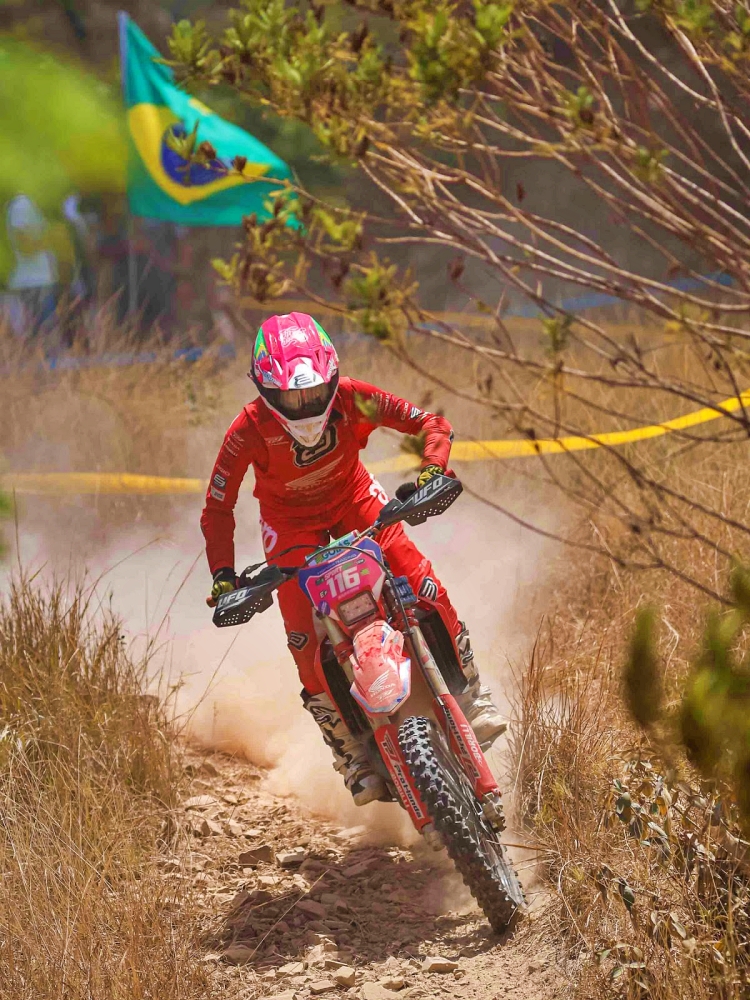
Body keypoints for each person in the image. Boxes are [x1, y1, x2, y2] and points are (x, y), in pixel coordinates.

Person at [201, 312, 506, 806]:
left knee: (422, 582)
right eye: (290, 397)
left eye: (313, 393)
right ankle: (350, 750)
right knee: (303, 639)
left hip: (354, 500)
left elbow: (430, 421)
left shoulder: (353, 396)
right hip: (291, 527)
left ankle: (470, 691)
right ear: (263, 389)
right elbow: (218, 507)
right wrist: (223, 575)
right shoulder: (246, 429)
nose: (304, 406)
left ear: (334, 377)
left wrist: (432, 470)